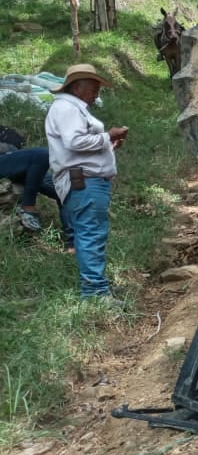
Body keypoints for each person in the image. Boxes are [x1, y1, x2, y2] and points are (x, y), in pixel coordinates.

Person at [45, 64, 128, 303]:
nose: (97, 92)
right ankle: (95, 292)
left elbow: (76, 146)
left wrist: (107, 145)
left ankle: (96, 287)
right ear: (78, 87)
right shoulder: (67, 108)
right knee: (91, 233)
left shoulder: (70, 108)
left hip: (84, 181)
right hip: (85, 182)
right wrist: (107, 136)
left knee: (89, 232)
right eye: (94, 87)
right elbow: (74, 142)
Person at [0, 144, 75, 248]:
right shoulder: (45, 153)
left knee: (67, 192)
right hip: (7, 162)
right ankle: (27, 209)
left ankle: (74, 243)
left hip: (18, 163)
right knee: (42, 155)